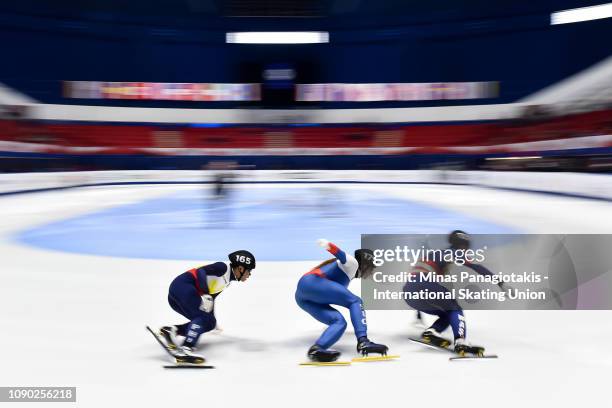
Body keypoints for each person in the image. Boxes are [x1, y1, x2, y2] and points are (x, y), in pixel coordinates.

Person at [404, 230, 503, 356]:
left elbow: (416, 284)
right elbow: (477, 266)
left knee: (447, 314)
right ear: (463, 245)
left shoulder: (434, 254)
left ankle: (432, 332)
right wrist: (501, 283)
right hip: (425, 283)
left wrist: (418, 315)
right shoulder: (453, 252)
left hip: (408, 292)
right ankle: (461, 342)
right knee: (455, 309)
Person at [295, 239, 388, 362]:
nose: (371, 272)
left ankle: (317, 349)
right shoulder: (352, 263)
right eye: (371, 268)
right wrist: (327, 245)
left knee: (339, 322)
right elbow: (339, 253)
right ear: (365, 264)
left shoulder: (344, 273)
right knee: (356, 301)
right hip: (312, 283)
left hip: (303, 297)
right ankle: (363, 342)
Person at [158, 250, 256, 360]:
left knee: (209, 323)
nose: (249, 274)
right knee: (202, 318)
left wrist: (212, 319)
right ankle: (186, 349)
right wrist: (205, 293)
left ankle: (172, 330)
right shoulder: (223, 268)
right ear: (240, 268)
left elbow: (211, 298)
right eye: (249, 270)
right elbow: (200, 272)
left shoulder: (226, 281)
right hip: (184, 287)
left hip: (178, 293)